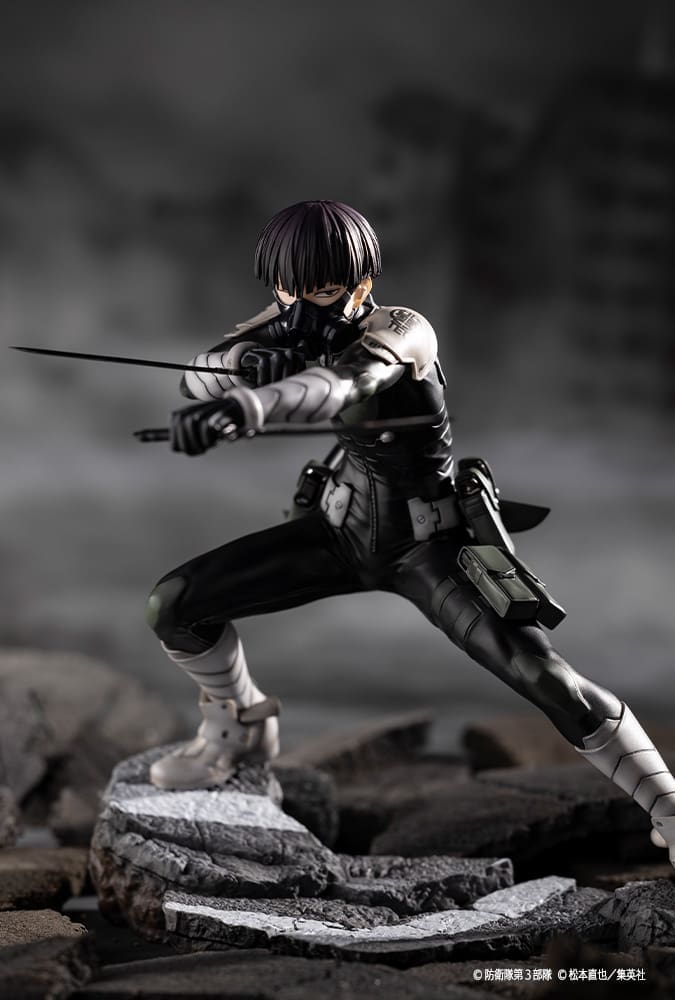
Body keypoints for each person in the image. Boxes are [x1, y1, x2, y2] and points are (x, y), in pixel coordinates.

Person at [145, 199, 675, 865]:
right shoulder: (285, 320)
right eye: (287, 289)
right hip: (342, 531)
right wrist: (243, 365)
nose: (301, 306)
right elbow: (198, 371)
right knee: (175, 604)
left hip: (428, 545)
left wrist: (253, 403)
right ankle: (239, 727)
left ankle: (666, 805)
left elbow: (345, 385)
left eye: (324, 290)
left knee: (545, 677)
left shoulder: (402, 330)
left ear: (361, 283)